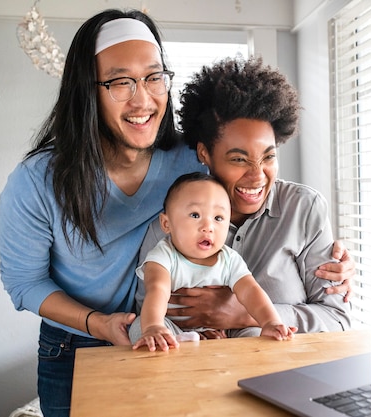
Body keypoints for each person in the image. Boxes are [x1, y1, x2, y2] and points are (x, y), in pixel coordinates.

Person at [0, 8, 352, 417]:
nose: (143, 98)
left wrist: (332, 263)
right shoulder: (37, 180)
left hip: (167, 341)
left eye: (153, 77)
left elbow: (253, 188)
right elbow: (24, 283)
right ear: (88, 91)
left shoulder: (191, 162)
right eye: (120, 82)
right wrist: (97, 323)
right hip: (76, 340)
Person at [139, 56, 352, 338]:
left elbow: (337, 318)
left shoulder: (304, 209)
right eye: (239, 159)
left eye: (268, 157)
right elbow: (148, 313)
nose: (257, 175)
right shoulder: (172, 218)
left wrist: (244, 314)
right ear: (205, 154)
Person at [129, 172, 296, 351]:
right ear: (166, 224)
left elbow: (250, 291)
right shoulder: (163, 256)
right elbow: (157, 289)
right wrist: (154, 326)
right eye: (195, 215)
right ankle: (177, 343)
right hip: (174, 329)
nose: (208, 227)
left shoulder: (229, 259)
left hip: (223, 332)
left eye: (218, 218)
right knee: (140, 327)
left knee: (255, 334)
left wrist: (270, 321)